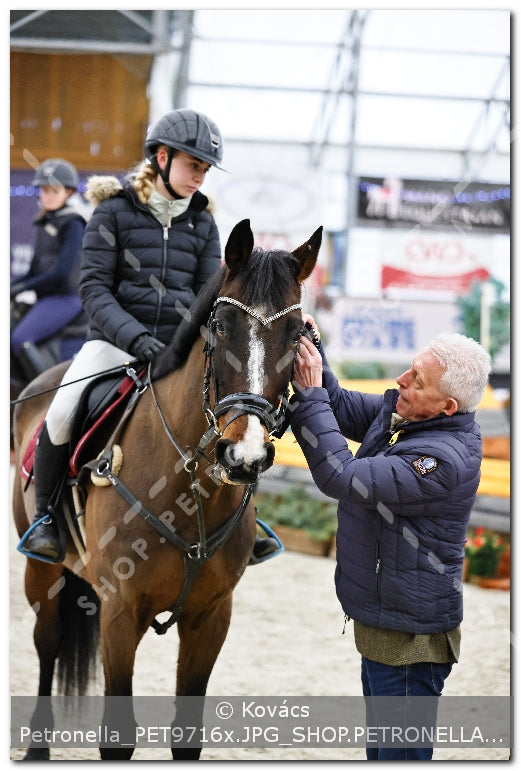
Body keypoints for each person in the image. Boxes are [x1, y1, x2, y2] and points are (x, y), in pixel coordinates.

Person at [22, 107, 280, 564]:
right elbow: (93, 289)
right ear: (161, 157)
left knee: (236, 403)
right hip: (112, 341)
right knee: (61, 411)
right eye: (192, 164)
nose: (200, 176)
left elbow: (206, 296)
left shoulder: (202, 222)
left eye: (205, 168)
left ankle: (245, 512)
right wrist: (137, 338)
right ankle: (46, 518)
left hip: (178, 347)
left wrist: (189, 341)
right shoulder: (113, 212)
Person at [289, 318, 491, 761]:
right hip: (389, 628)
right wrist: (314, 356)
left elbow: (343, 476)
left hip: (408, 642)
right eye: (409, 368)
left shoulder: (440, 459)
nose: (401, 380)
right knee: (382, 754)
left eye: (416, 380)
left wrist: (306, 399)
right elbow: (337, 404)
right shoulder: (412, 417)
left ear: (448, 405)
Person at [10, 158, 88, 380]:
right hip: (46, 297)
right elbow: (34, 271)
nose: (48, 195)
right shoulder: (45, 222)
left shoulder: (74, 223)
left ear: (69, 192)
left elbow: (61, 274)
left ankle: (44, 395)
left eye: (54, 190)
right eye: (44, 190)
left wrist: (23, 287)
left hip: (66, 298)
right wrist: (12, 288)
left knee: (20, 338)